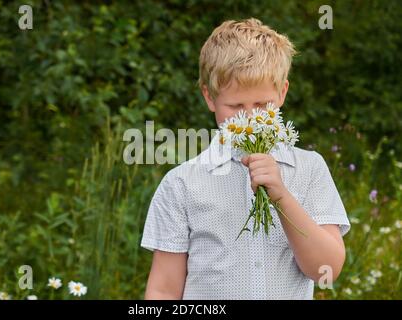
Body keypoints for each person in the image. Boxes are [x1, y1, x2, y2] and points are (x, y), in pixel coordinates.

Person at [140, 17, 350, 300]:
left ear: (282, 93)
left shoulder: (309, 169)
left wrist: (281, 195)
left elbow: (327, 269)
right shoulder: (181, 184)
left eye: (262, 105)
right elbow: (164, 290)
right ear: (209, 97)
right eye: (236, 106)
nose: (249, 118)